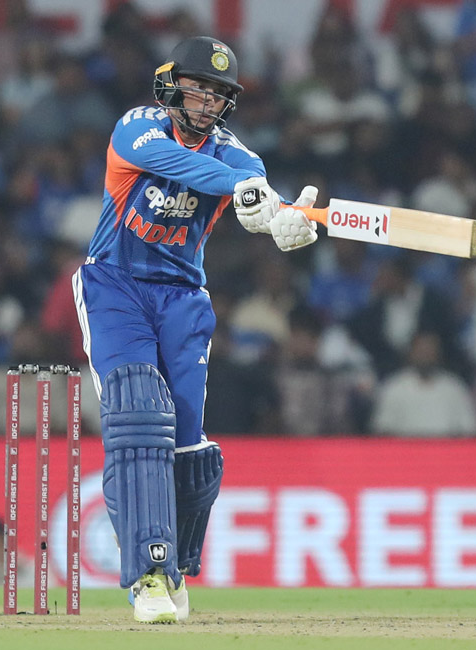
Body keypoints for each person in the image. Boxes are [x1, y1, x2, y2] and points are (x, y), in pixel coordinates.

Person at [71, 36, 318, 623]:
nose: (206, 101)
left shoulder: (239, 157)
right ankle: (148, 575)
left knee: (187, 447)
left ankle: (175, 566)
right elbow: (184, 167)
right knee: (138, 415)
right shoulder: (137, 128)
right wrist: (241, 188)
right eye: (197, 87)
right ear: (172, 85)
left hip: (183, 298)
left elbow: (254, 196)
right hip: (116, 284)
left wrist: (280, 221)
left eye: (217, 94)